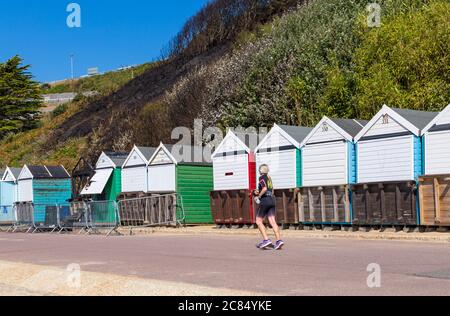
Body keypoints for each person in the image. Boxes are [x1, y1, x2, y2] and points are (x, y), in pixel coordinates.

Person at [254, 164, 284, 250]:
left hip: (265, 200)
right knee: (272, 221)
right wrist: (258, 191)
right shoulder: (269, 178)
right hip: (272, 200)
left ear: (261, 171)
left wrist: (258, 196)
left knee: (258, 221)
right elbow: (272, 190)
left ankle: (266, 240)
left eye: (259, 170)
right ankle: (279, 241)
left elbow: (264, 189)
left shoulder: (261, 178)